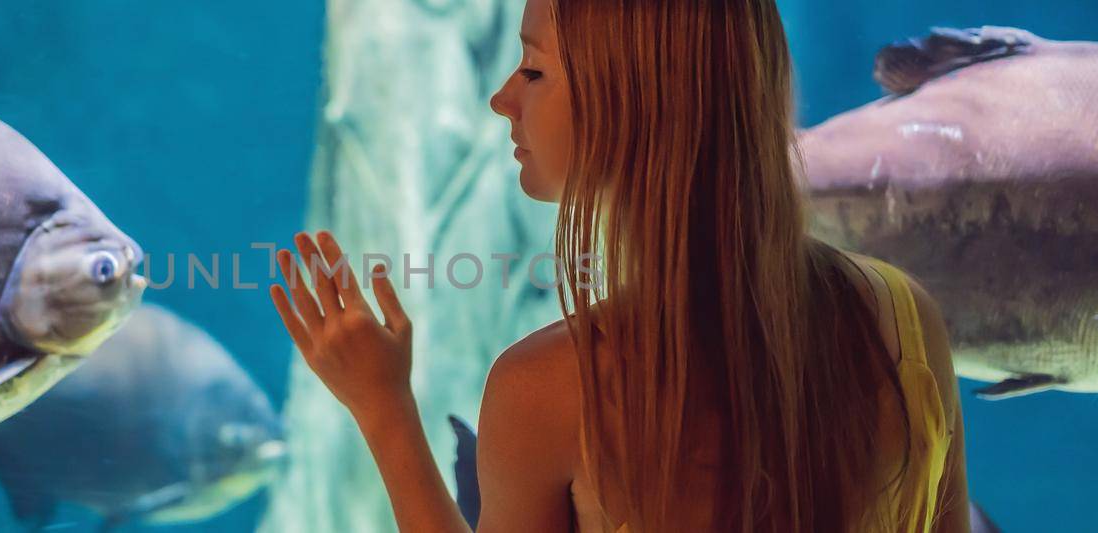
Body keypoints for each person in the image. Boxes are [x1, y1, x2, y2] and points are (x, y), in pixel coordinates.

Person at [267, 0, 971, 531]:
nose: (502, 98)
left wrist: (384, 409)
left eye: (535, 69)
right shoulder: (903, 319)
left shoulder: (547, 387)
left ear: (635, 105)